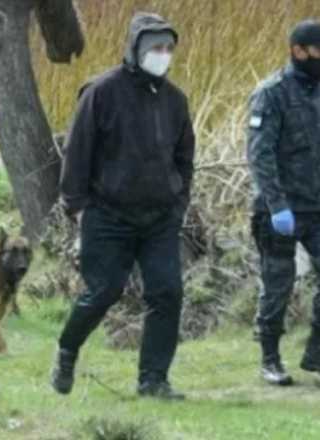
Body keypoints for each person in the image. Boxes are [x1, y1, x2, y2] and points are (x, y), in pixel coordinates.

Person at [51, 12, 196, 400]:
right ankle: (67, 350)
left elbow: (184, 157)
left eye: (168, 48)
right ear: (135, 49)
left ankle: (153, 379)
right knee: (104, 290)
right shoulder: (101, 92)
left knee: (167, 292)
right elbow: (77, 152)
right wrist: (77, 207)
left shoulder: (175, 101)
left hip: (160, 217)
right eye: (155, 48)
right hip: (107, 213)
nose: (162, 55)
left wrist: (178, 202)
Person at [245, 19, 320, 386]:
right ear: (298, 51)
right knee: (278, 283)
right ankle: (270, 358)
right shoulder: (271, 93)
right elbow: (261, 156)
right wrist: (276, 205)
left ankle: (317, 349)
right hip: (281, 210)